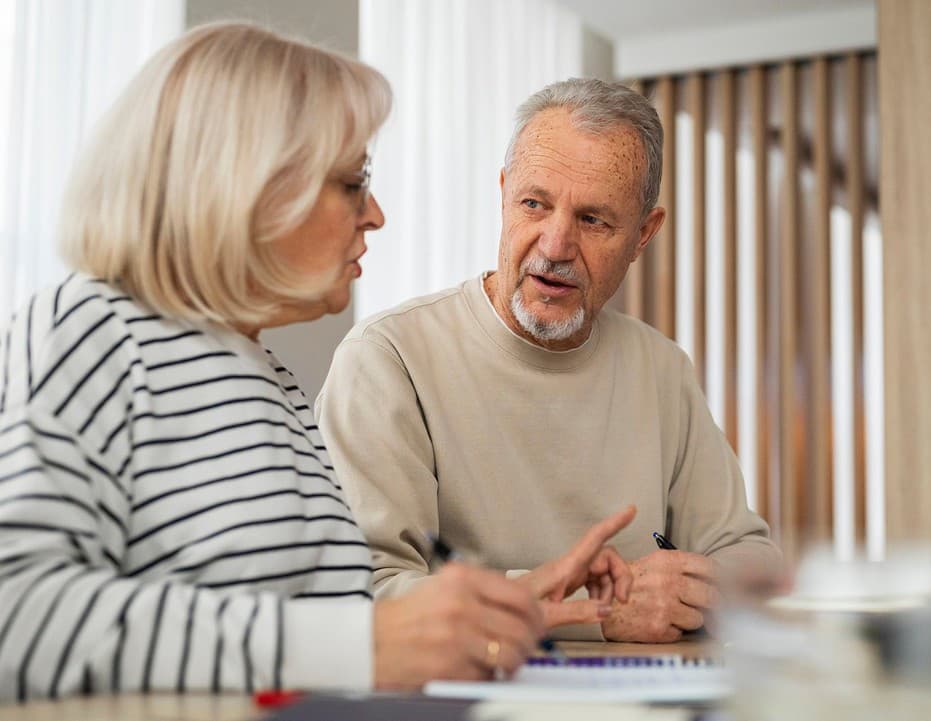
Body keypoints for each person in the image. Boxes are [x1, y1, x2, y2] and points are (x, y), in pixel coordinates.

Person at [0, 25, 637, 701]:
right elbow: (18, 616)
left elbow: (311, 633)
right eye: (353, 182)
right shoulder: (87, 330)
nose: (377, 214)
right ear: (244, 185)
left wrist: (493, 606)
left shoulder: (269, 378)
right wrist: (368, 644)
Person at [319, 78, 782, 643]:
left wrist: (697, 590)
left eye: (593, 220)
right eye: (534, 204)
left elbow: (744, 556)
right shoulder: (386, 361)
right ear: (504, 194)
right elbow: (365, 592)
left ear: (643, 234)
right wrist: (602, 609)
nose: (555, 244)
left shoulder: (661, 369)